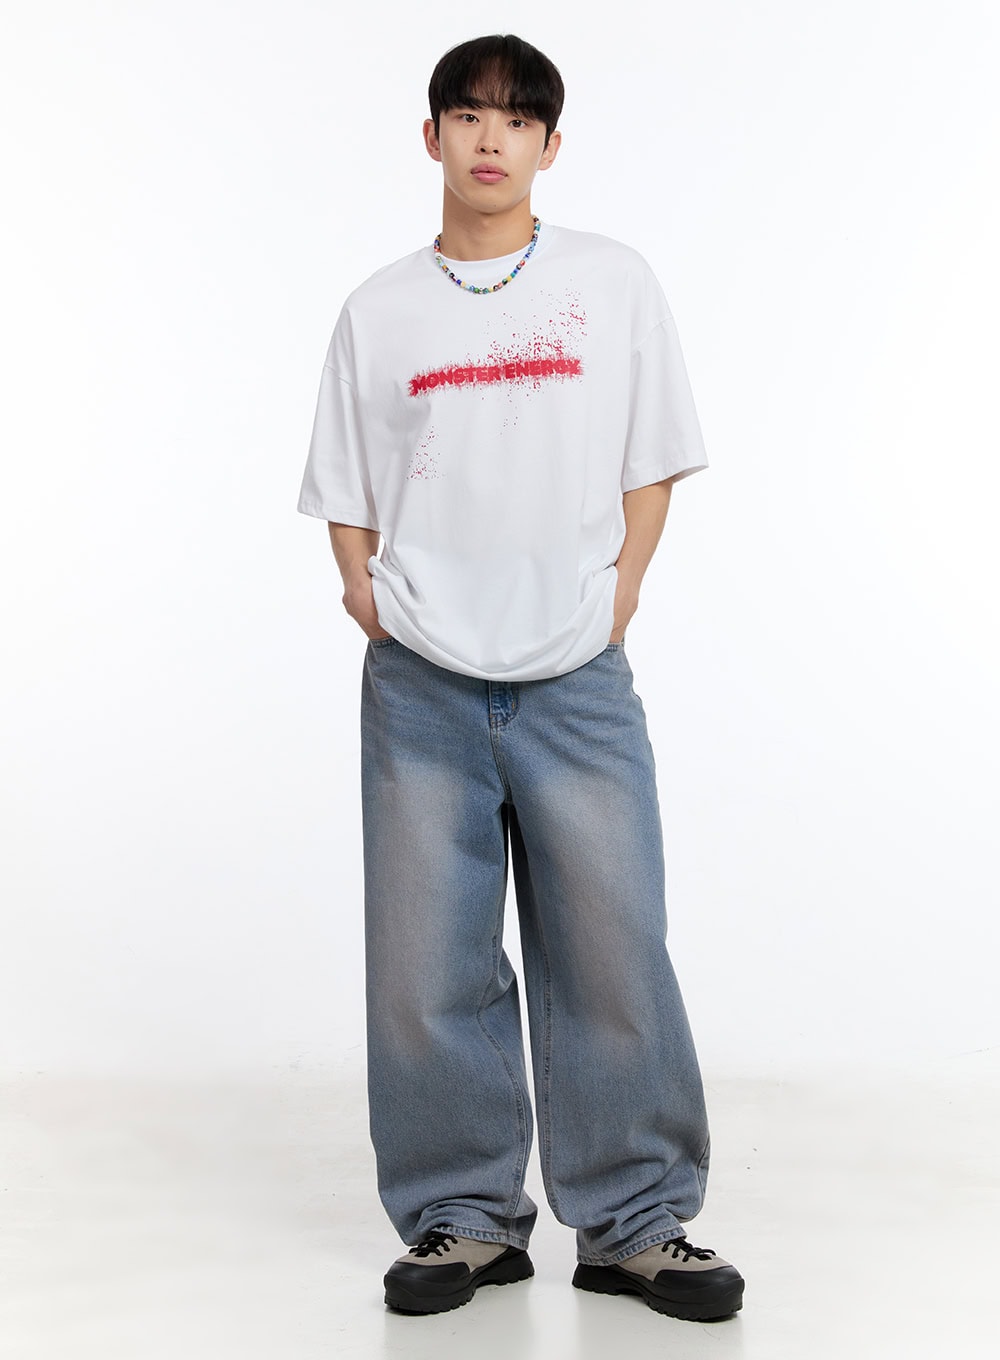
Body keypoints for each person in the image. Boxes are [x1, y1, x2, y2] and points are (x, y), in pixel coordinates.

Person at [296, 33, 745, 1321]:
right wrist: (364, 593)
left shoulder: (610, 282)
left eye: (515, 119)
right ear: (431, 136)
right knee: (424, 962)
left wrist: (621, 592)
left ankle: (637, 1223)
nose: (489, 138)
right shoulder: (380, 309)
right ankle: (463, 1218)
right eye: (467, 114)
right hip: (423, 681)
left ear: (551, 145)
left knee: (612, 945)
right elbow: (346, 477)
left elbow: (654, 458)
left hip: (576, 674)